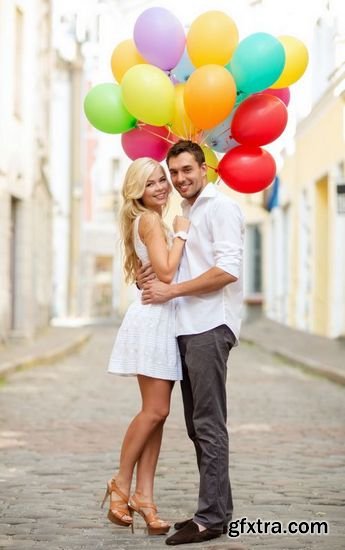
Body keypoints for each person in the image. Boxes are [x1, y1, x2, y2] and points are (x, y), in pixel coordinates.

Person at [138, 140, 245, 545]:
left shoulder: (220, 208)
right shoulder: (186, 212)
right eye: (175, 173)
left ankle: (210, 519)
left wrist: (174, 291)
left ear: (205, 170)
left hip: (209, 325)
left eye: (187, 170)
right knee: (198, 428)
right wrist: (154, 278)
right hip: (186, 326)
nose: (180, 179)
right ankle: (216, 512)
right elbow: (179, 266)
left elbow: (227, 270)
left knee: (208, 424)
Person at [102, 157, 190, 536]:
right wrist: (182, 233)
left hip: (161, 317)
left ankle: (145, 497)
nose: (161, 187)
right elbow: (167, 272)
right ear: (137, 189)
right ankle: (121, 484)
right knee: (154, 411)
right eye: (151, 182)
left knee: (158, 414)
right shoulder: (152, 220)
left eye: (162, 180)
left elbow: (157, 272)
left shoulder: (150, 221)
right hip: (154, 320)